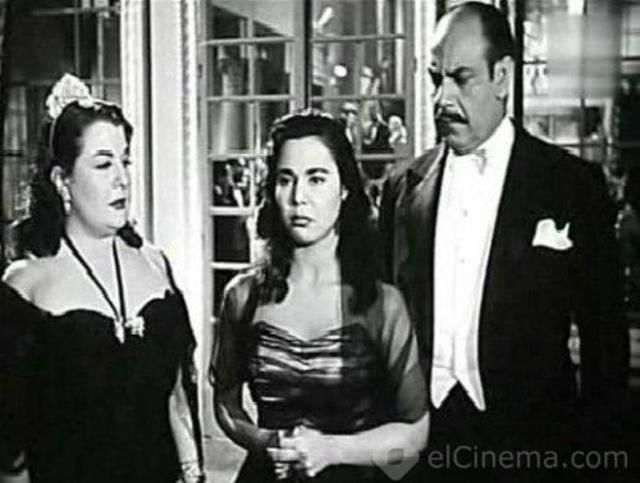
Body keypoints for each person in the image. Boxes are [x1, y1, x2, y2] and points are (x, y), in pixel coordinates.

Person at [379, 3, 630, 481]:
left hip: (532, 448)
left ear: (502, 76)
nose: (443, 98)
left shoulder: (570, 185)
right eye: (435, 79)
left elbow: (605, 345)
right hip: (420, 450)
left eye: (461, 78)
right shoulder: (401, 190)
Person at [0, 74, 203, 483]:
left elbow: (178, 399)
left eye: (125, 161)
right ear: (63, 181)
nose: (122, 178)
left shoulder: (155, 265)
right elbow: (10, 448)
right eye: (103, 164)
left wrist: (194, 474)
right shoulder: (26, 286)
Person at [210, 110, 429, 482]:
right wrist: (267, 442)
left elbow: (415, 432)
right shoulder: (243, 296)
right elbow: (226, 403)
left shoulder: (381, 303)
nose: (299, 197)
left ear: (344, 189)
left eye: (316, 179)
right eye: (286, 179)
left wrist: (332, 450)